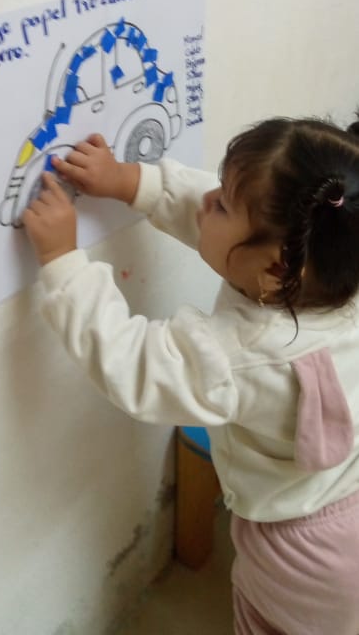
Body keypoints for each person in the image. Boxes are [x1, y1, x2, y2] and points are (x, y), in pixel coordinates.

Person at [23, 116, 359, 635]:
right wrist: (131, 181)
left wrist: (63, 262)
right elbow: (232, 218)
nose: (206, 199)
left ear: (275, 269)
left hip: (302, 552)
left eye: (221, 203)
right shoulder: (332, 269)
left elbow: (134, 362)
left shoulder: (244, 355)